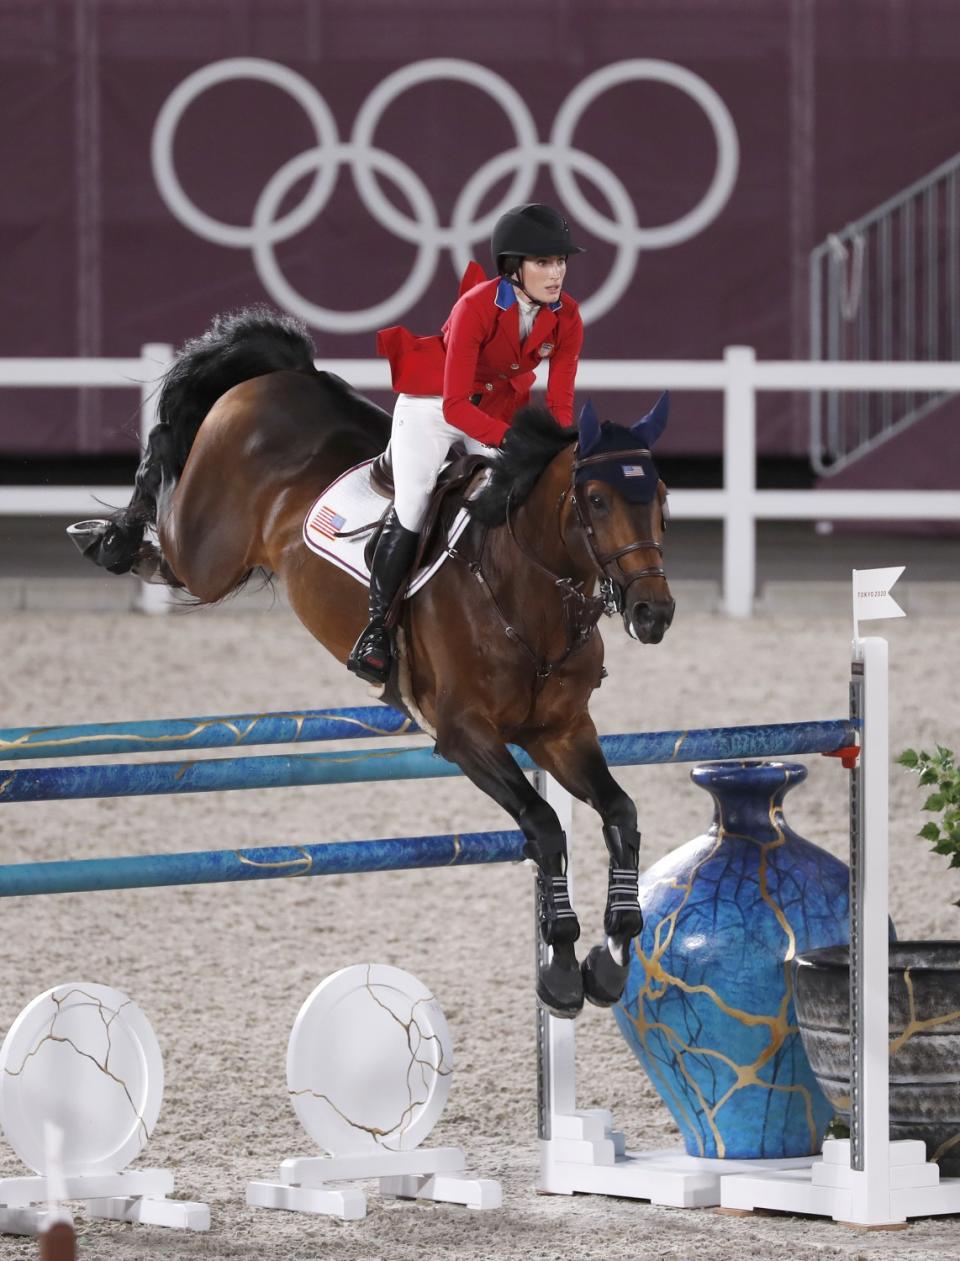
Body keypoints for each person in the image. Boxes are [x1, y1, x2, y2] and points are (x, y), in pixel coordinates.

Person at [346, 202, 586, 685]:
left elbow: (560, 406)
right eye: (543, 262)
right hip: (434, 406)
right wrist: (516, 441)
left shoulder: (567, 317)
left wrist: (556, 452)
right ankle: (376, 631)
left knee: (525, 496)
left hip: (494, 410)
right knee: (414, 504)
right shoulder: (476, 305)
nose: (556, 272)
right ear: (513, 268)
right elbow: (455, 407)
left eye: (560, 261)